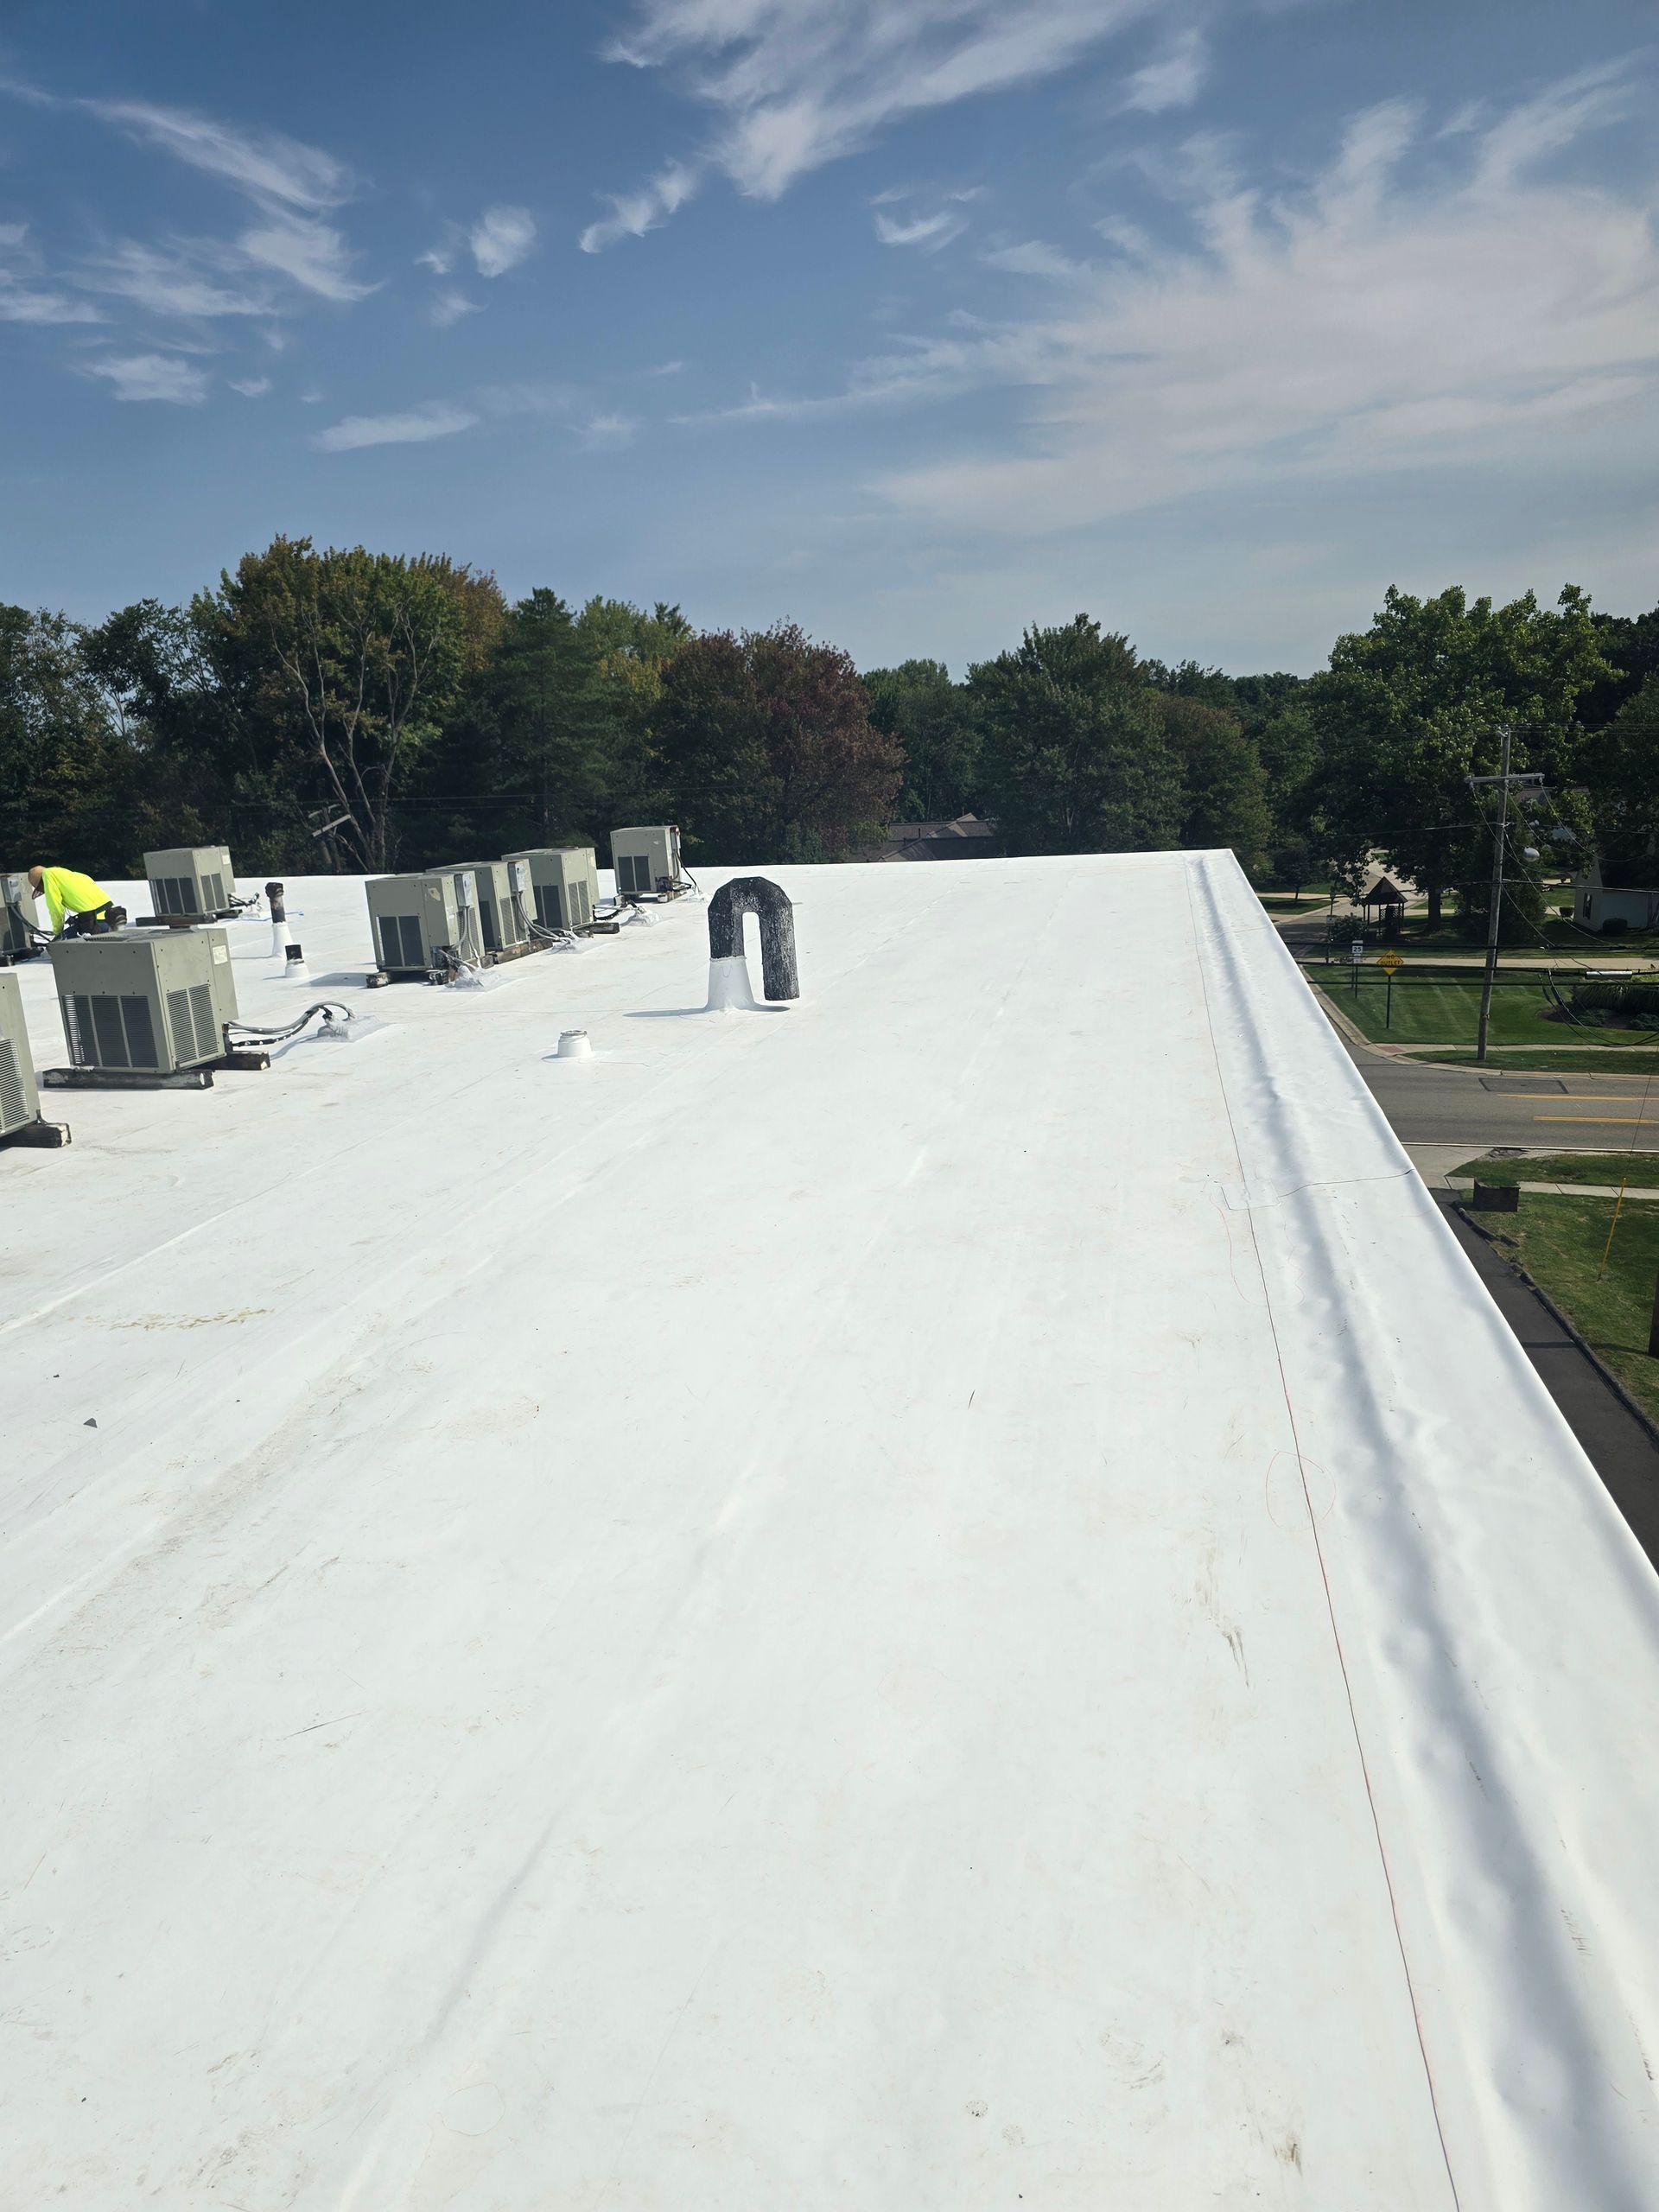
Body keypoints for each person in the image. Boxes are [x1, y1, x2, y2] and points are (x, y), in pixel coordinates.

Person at [27, 865, 124, 937]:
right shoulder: (71, 875)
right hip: (112, 918)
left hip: (95, 924)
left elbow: (56, 909)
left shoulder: (48, 875)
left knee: (56, 946)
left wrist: (57, 933)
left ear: (40, 883)